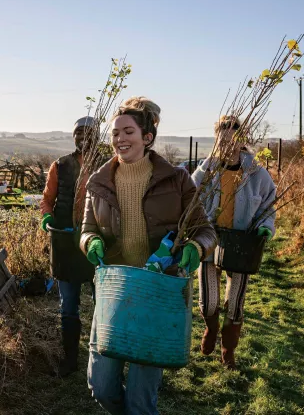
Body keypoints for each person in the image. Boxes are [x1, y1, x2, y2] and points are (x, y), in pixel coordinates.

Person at [79, 97, 217, 414]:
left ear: (147, 138)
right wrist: (90, 243)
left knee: (141, 400)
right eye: (115, 133)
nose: (120, 139)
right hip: (115, 291)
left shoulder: (177, 179)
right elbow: (87, 229)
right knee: (100, 385)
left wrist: (196, 248)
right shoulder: (98, 182)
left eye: (128, 131)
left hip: (157, 292)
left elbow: (205, 230)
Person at [192, 115, 276, 369]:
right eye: (222, 139)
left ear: (242, 142)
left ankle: (228, 350)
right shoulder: (205, 172)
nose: (228, 145)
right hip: (209, 241)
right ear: (217, 140)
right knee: (209, 302)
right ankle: (210, 328)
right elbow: (189, 201)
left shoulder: (257, 174)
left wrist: (264, 228)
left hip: (242, 244)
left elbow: (267, 205)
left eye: (233, 140)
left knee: (235, 305)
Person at [40, 116, 96, 377]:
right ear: (73, 136)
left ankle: (101, 357)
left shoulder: (107, 165)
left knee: (102, 302)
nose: (83, 138)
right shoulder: (60, 166)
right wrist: (47, 216)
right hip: (64, 240)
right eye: (79, 133)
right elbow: (48, 199)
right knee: (68, 304)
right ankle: (70, 359)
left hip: (98, 243)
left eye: (88, 133)